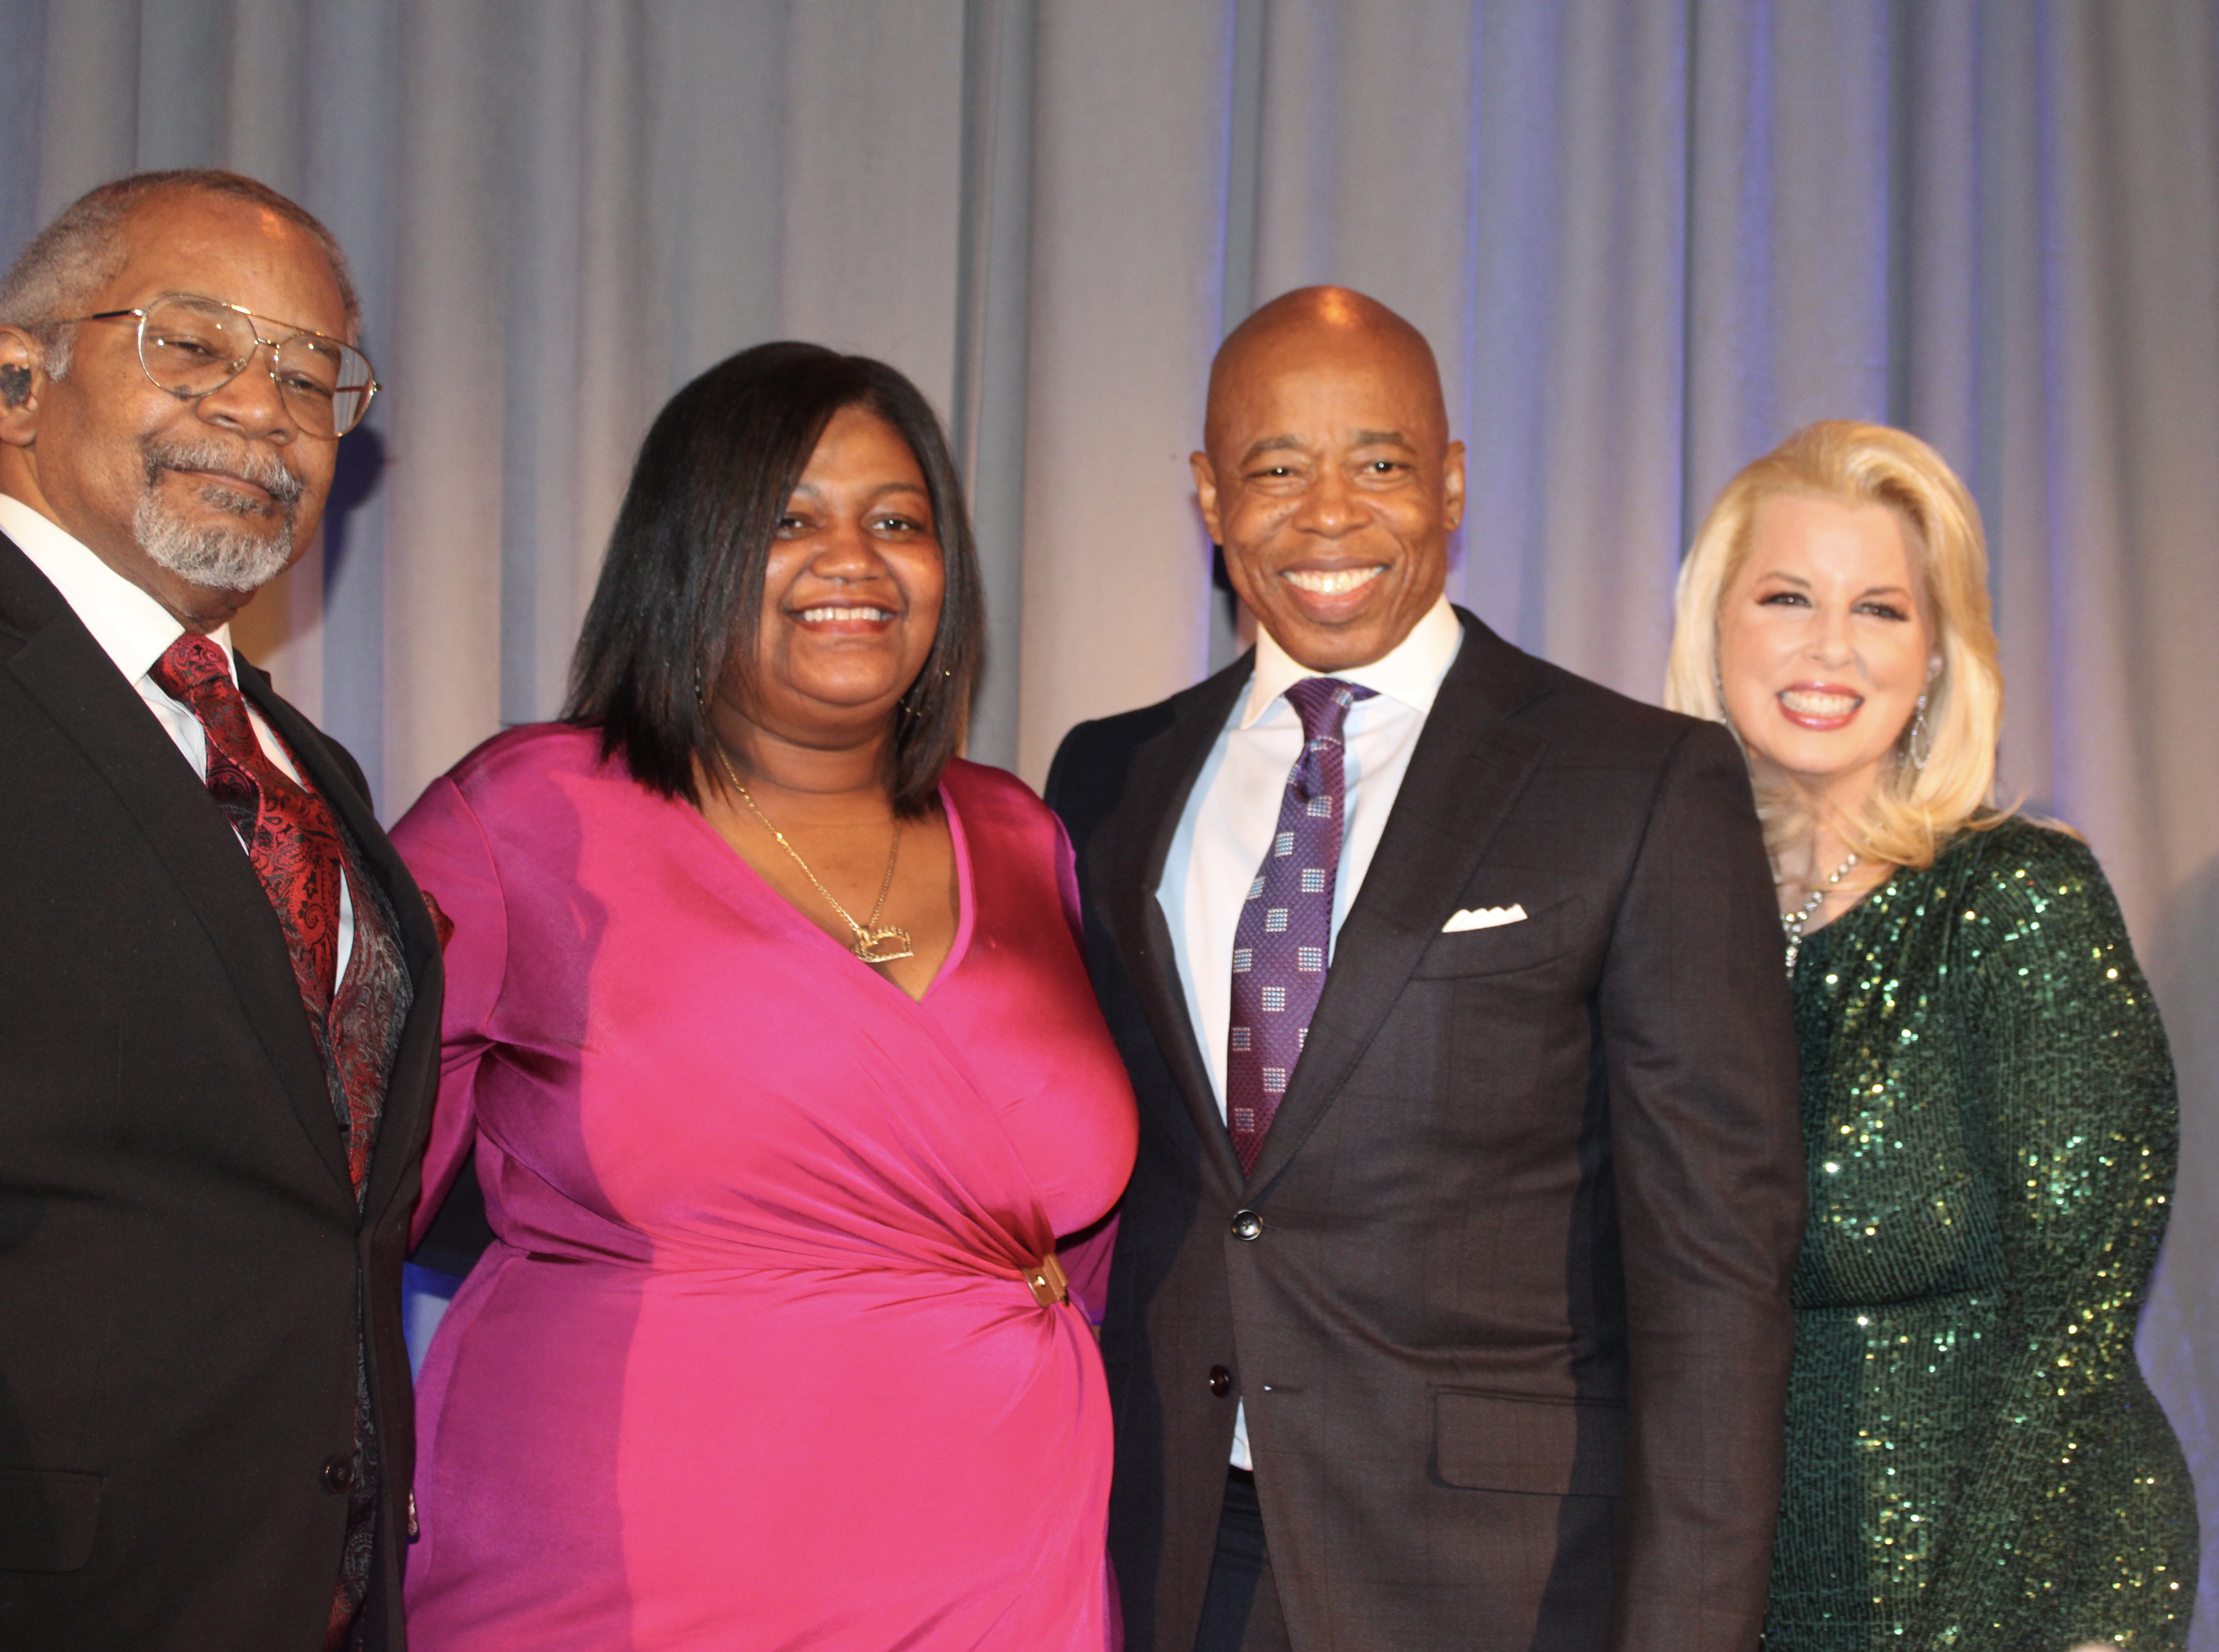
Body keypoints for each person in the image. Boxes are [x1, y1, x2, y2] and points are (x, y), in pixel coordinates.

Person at [1046, 285, 1807, 1652]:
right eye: (1274, 467)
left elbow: (1715, 1269)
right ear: (1208, 498)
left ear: (1450, 483)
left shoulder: (1635, 781)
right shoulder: (1108, 775)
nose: (1327, 512)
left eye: (1380, 462)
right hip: (1164, 1554)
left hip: (1498, 1579)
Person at [391, 341, 1139, 1649]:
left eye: (896, 522)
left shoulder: (1023, 837)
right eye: (790, 519)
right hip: (619, 1583)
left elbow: (1091, 1256)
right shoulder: (529, 814)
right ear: (689, 555)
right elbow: (338, 1190)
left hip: (997, 1576)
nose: (852, 560)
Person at [1664, 419, 2197, 1650]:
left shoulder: (2018, 902)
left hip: (2020, 1585)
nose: (1828, 649)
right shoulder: (1664, 925)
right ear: (1716, 629)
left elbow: (2071, 1326)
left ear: (1939, 656)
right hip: (1748, 1590)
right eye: (1786, 596)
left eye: (1882, 610)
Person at [0, 171, 441, 1649]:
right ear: (17, 384)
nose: (263, 408)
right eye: (192, 346)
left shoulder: (296, 763)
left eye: (311, 377)